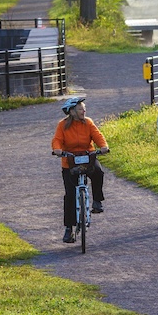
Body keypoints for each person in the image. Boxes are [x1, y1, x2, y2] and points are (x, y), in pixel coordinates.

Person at [51, 97, 109, 243]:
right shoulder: (62, 125)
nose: (84, 110)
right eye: (80, 109)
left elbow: (97, 136)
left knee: (98, 172)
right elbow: (57, 140)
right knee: (70, 194)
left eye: (84, 108)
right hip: (69, 161)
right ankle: (69, 229)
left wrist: (103, 147)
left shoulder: (88, 122)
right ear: (72, 112)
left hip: (87, 156)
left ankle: (97, 201)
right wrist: (57, 150)